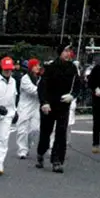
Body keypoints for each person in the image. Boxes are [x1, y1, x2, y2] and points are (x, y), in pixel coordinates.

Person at [36, 45, 79, 173]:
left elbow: (77, 85)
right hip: (49, 105)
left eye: (69, 51)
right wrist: (44, 102)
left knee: (61, 133)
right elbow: (42, 87)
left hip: (63, 105)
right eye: (65, 51)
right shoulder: (50, 67)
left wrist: (72, 95)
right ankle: (41, 152)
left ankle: (57, 160)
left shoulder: (72, 68)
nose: (67, 54)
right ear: (60, 52)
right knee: (46, 131)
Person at [16, 59, 42, 159]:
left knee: (35, 129)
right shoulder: (25, 79)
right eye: (36, 66)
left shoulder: (40, 78)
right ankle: (22, 150)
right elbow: (33, 90)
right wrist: (44, 90)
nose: (38, 67)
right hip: (25, 106)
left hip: (36, 106)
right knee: (22, 129)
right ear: (31, 67)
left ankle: (27, 145)